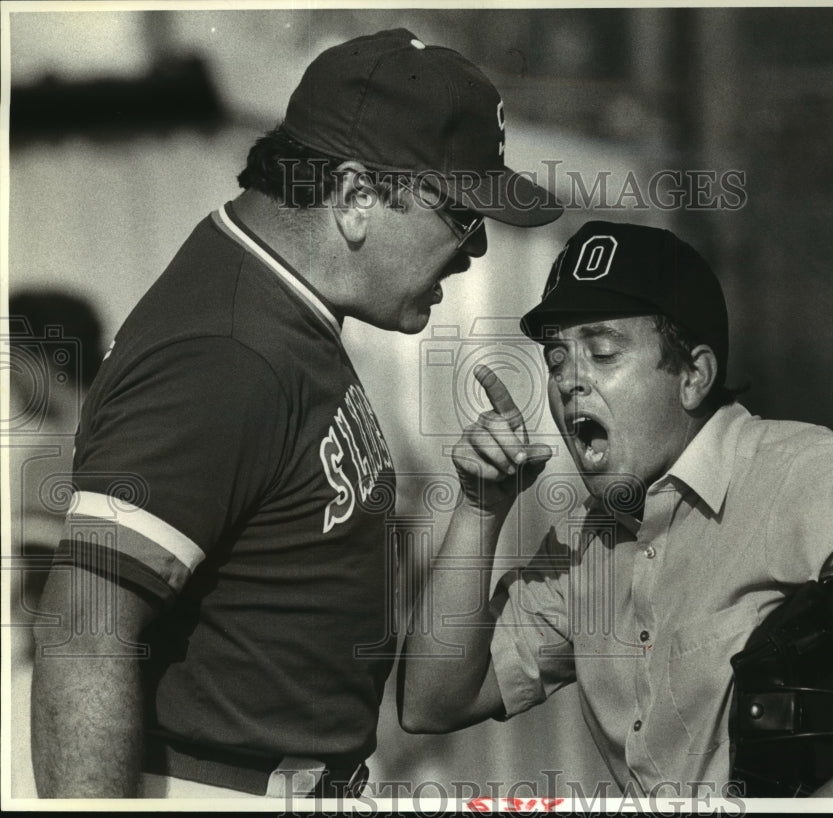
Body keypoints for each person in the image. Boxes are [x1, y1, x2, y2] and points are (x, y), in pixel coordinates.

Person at [30, 27, 561, 799]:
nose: (474, 251)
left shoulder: (285, 309)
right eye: (461, 216)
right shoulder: (227, 345)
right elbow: (82, 635)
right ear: (353, 196)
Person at [398, 220, 833, 799]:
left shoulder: (800, 471)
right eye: (556, 359)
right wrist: (481, 508)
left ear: (693, 376)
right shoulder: (585, 542)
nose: (569, 381)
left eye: (603, 352)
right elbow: (433, 702)